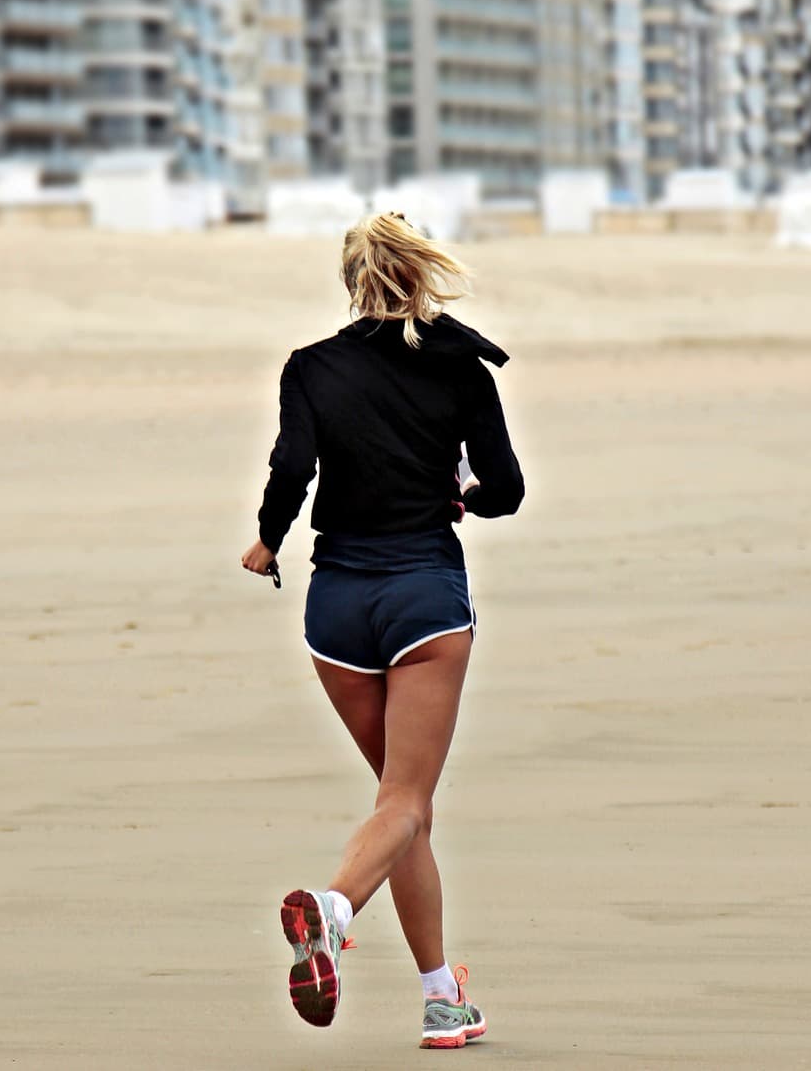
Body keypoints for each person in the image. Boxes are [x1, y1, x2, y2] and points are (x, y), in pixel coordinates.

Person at [240, 211, 524, 1049]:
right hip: (423, 602)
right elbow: (503, 488)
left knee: (404, 810)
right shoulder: (462, 367)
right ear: (420, 272)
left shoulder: (311, 367)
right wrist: (460, 497)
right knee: (404, 801)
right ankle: (330, 911)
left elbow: (292, 467)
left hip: (336, 610)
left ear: (351, 281)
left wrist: (267, 537)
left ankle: (444, 999)